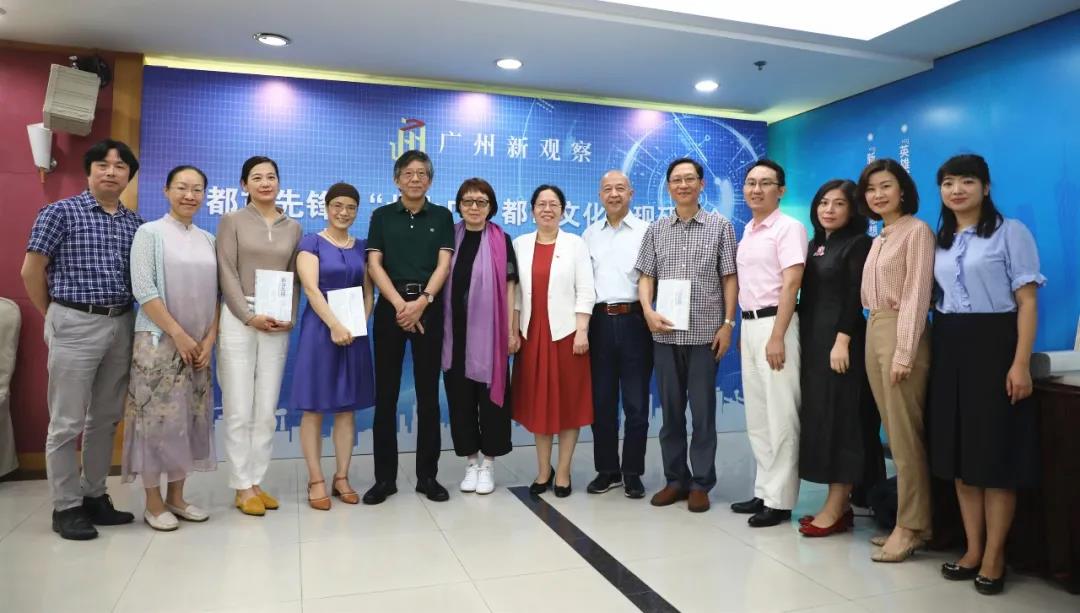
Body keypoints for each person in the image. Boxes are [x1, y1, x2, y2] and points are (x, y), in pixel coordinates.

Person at [929, 154, 1044, 595]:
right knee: (962, 457)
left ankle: (995, 555)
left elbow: (1027, 303)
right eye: (948, 183)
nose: (957, 190)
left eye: (967, 181)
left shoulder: (1010, 232)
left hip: (995, 345)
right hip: (950, 344)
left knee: (995, 458)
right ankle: (973, 549)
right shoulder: (940, 238)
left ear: (986, 187)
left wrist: (1019, 363)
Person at [22, 139, 144, 540]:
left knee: (105, 418)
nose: (111, 171)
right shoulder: (60, 212)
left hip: (121, 322)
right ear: (89, 170)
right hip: (74, 320)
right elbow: (31, 271)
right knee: (66, 421)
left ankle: (94, 496)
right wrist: (54, 315)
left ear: (129, 175)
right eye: (103, 164)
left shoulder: (135, 224)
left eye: (120, 166)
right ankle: (66, 506)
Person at [636, 157, 738, 513]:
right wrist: (647, 310)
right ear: (668, 187)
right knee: (671, 414)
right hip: (665, 335)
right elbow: (646, 276)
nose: (683, 185)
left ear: (701, 184)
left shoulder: (720, 226)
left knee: (704, 414)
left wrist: (728, 324)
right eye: (676, 180)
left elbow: (729, 277)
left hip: (705, 336)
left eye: (689, 179)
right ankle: (675, 480)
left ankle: (701, 483)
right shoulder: (656, 229)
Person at [122, 165, 218, 531]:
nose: (189, 195)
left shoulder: (208, 239)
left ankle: (177, 497)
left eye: (197, 189)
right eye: (181, 187)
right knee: (155, 422)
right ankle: (153, 503)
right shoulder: (149, 233)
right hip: (159, 343)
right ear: (166, 191)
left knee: (188, 420)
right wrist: (177, 333)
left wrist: (208, 339)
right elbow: (144, 289)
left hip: (198, 347)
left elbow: (218, 296)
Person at [796, 179, 885, 537]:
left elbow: (854, 296)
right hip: (813, 342)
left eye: (838, 204)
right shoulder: (815, 244)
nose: (828, 210)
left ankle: (836, 506)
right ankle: (842, 504)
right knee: (822, 419)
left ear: (853, 210)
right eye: (823, 203)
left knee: (842, 421)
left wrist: (842, 340)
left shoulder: (859, 243)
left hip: (840, 344)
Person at [365, 150, 454, 504]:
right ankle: (384, 479)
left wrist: (422, 302)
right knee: (385, 396)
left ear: (430, 180)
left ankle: (427, 477)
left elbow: (444, 264)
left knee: (429, 395)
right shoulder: (382, 216)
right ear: (397, 179)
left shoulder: (442, 216)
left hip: (428, 308)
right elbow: (374, 264)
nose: (415, 179)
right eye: (408, 173)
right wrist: (401, 305)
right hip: (392, 308)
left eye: (422, 174)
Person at [858, 158, 935, 562]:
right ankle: (910, 520)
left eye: (886, 186)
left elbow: (917, 296)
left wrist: (904, 351)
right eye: (871, 189)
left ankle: (912, 527)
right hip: (875, 327)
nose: (878, 195)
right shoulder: (880, 237)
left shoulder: (916, 231)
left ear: (902, 190)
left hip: (900, 330)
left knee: (906, 436)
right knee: (893, 432)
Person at [216, 155, 301, 516]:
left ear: (279, 182)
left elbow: (293, 277)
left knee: (266, 409)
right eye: (257, 177)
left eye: (271, 177)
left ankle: (256, 481)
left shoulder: (293, 227)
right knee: (238, 406)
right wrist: (249, 316)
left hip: (276, 322)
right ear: (244, 185)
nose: (265, 183)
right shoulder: (232, 220)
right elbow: (226, 271)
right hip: (240, 318)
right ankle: (241, 485)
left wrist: (289, 317)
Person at [731, 159, 808, 528]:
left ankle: (781, 500)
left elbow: (791, 284)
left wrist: (777, 335)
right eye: (750, 182)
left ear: (781, 190)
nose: (756, 189)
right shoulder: (749, 230)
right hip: (750, 326)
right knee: (758, 416)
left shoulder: (789, 228)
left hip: (777, 325)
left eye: (765, 183)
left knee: (781, 415)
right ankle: (764, 490)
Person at [290, 183, 376, 511]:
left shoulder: (362, 247)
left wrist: (359, 323)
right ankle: (316, 479)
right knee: (314, 408)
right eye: (338, 205)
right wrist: (335, 325)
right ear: (326, 208)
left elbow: (368, 293)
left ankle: (342, 477)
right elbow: (311, 289)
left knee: (346, 408)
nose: (344, 212)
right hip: (320, 332)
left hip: (353, 335)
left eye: (351, 207)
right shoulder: (311, 242)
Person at [511, 184, 595, 498]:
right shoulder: (520, 244)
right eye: (541, 204)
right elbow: (515, 295)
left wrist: (582, 330)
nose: (547, 209)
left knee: (569, 404)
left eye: (554, 204)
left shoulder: (575, 244)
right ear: (532, 210)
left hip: (567, 335)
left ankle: (563, 472)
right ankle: (543, 471)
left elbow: (586, 290)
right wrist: (513, 331)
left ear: (563, 210)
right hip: (532, 334)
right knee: (539, 404)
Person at [441, 178, 518, 495]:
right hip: (453, 335)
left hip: (491, 335)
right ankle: (471, 462)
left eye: (481, 202)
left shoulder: (502, 240)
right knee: (460, 401)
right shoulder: (448, 237)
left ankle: (488, 463)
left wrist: (511, 330)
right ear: (459, 205)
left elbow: (511, 287)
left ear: (491, 207)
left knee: (490, 403)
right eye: (468, 201)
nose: (474, 207)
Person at [583, 170, 652, 499]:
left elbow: (653, 278)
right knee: (602, 402)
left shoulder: (646, 231)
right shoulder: (589, 235)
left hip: (635, 321)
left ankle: (633, 472)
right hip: (598, 323)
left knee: (637, 403)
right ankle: (607, 470)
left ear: (631, 193)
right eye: (607, 189)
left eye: (620, 188)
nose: (614, 194)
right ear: (600, 195)